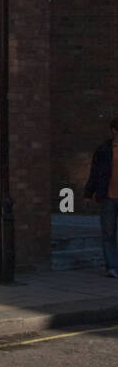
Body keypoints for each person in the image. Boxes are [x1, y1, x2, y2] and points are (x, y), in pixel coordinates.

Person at [83, 117, 118, 277]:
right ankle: (112, 266)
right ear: (114, 130)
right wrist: (88, 194)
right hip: (108, 197)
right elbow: (95, 173)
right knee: (108, 233)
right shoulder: (103, 150)